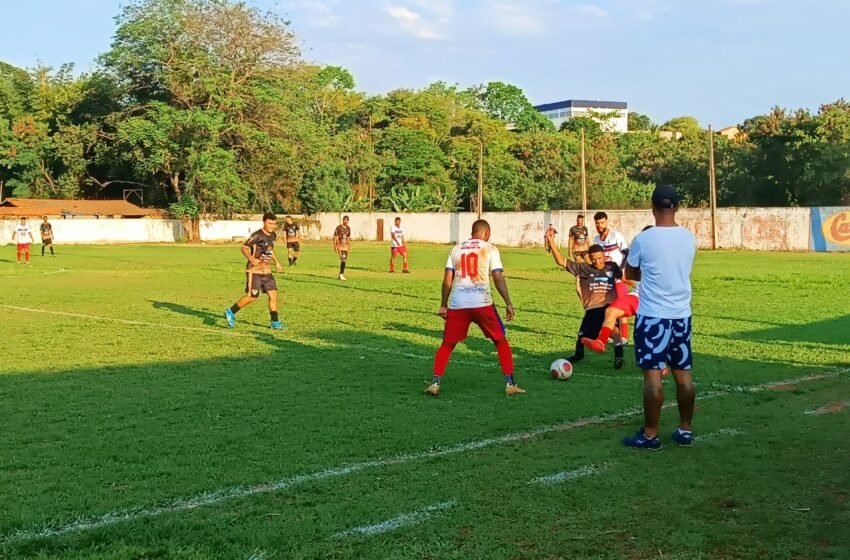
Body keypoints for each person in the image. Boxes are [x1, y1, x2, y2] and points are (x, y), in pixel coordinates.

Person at [622, 185, 697, 450]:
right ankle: (685, 430)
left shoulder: (644, 239)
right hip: (681, 316)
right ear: (677, 207)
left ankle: (651, 435)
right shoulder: (689, 238)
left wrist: (650, 275)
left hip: (653, 317)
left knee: (653, 378)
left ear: (652, 207)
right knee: (684, 376)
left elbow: (630, 273)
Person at [426, 219, 525, 397]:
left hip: (458, 304)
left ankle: (434, 383)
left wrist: (443, 304)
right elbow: (497, 276)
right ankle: (510, 384)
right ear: (486, 233)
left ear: (472, 232)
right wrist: (508, 302)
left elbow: (447, 280)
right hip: (482, 302)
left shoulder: (455, 249)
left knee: (447, 344)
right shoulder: (490, 248)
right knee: (500, 341)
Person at [546, 232, 625, 369]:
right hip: (593, 308)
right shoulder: (583, 268)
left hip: (609, 307)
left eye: (600, 258)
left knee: (615, 331)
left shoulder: (612, 266)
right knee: (582, 336)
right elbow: (560, 261)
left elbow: (626, 275)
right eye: (594, 259)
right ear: (589, 258)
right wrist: (551, 240)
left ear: (603, 257)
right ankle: (578, 354)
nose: (597, 262)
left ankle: (619, 357)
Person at [582, 226, 654, 354]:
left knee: (646, 335)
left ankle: (662, 363)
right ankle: (601, 341)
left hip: (657, 299)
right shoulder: (639, 254)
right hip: (638, 294)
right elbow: (627, 276)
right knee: (611, 310)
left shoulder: (665, 256)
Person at [224, 213, 285, 330]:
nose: (272, 226)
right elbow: (244, 247)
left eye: (274, 223)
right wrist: (252, 259)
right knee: (253, 296)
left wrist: (276, 262)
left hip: (266, 271)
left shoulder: (272, 235)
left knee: (273, 295)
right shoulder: (257, 235)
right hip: (255, 271)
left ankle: (275, 322)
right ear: (264, 222)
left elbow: (270, 250)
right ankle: (230, 311)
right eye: (269, 223)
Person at [593, 211, 631, 342]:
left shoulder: (616, 236)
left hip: (619, 278)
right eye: (597, 223)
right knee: (607, 306)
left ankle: (624, 337)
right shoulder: (596, 240)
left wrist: (620, 270)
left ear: (606, 221)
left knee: (622, 306)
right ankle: (611, 333)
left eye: (602, 222)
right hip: (605, 279)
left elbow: (627, 253)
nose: (599, 225)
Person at [333, 216, 351, 281]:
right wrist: (334, 246)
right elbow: (335, 237)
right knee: (343, 259)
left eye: (347, 220)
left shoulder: (348, 228)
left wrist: (349, 245)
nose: (345, 221)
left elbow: (348, 237)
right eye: (344, 220)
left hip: (345, 247)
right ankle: (341, 274)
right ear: (343, 220)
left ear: (348, 221)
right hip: (340, 246)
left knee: (345, 260)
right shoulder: (339, 228)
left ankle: (341, 274)